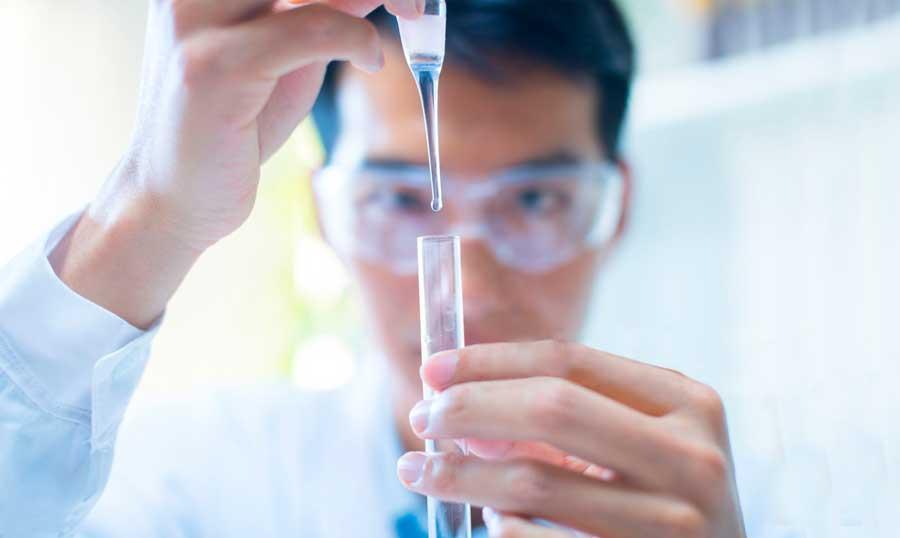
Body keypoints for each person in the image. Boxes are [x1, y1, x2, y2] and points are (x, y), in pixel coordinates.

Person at [0, 0, 747, 536]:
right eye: (397, 199)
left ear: (613, 208)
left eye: (535, 199)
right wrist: (149, 213)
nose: (470, 289)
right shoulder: (192, 486)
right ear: (326, 216)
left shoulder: (709, 504)